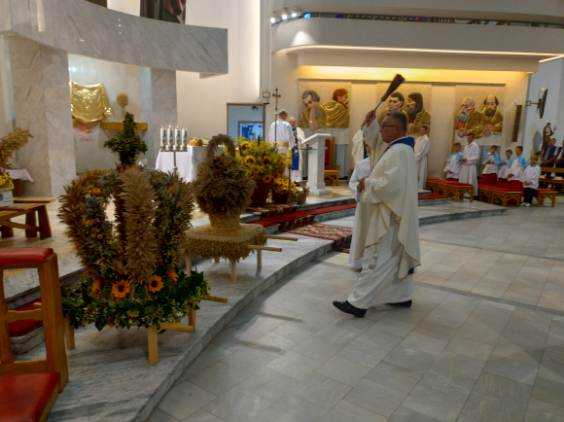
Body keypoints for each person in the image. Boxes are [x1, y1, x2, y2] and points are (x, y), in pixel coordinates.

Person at [334, 111, 420, 317]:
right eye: (380, 126)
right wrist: (370, 124)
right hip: (393, 213)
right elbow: (375, 143)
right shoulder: (397, 148)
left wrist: (367, 183)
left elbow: (392, 185)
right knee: (394, 257)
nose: (381, 130)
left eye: (385, 126)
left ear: (397, 129)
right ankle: (401, 296)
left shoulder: (399, 151)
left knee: (376, 259)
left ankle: (357, 303)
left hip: (388, 216)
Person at [348, 143, 373, 272]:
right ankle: (359, 261)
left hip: (379, 205)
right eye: (368, 146)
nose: (370, 148)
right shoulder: (362, 164)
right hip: (364, 205)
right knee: (362, 232)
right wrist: (358, 186)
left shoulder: (386, 163)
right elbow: (352, 182)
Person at [459, 132, 481, 196]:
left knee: (470, 180)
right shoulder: (466, 146)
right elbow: (464, 155)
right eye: (468, 137)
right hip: (465, 166)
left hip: (471, 166)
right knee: (463, 179)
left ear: (473, 138)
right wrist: (462, 159)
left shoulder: (475, 146)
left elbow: (476, 157)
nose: (468, 139)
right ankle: (462, 193)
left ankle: (469, 195)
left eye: (470, 137)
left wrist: (467, 159)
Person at [414, 124, 431, 191]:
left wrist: (417, 157)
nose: (421, 131)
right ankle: (414, 186)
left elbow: (423, 151)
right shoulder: (418, 138)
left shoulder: (426, 139)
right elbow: (414, 148)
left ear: (426, 131)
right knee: (415, 172)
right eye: (420, 129)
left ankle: (419, 187)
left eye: (422, 130)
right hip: (415, 157)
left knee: (420, 173)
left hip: (421, 159)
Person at [288, 117, 304, 182]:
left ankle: (297, 180)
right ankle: (290, 179)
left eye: (294, 122)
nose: (292, 123)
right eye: (291, 122)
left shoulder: (299, 130)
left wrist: (298, 138)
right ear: (289, 123)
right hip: (289, 150)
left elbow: (303, 140)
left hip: (297, 150)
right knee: (289, 165)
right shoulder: (286, 129)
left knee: (297, 165)